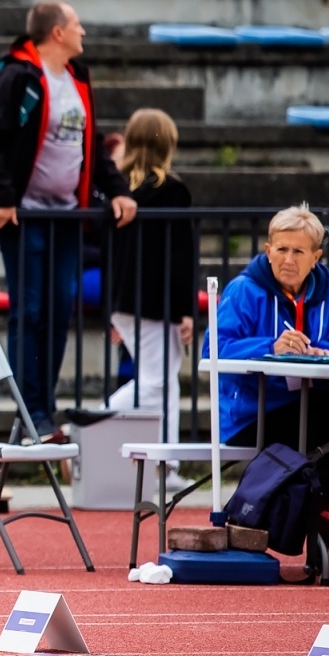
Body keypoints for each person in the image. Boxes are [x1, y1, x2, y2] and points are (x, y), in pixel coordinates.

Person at [0, 0, 137, 433]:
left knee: (60, 310)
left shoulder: (78, 77)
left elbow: (91, 145)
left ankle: (43, 407)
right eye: (78, 25)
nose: (84, 32)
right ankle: (31, 411)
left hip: (66, 216)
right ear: (57, 33)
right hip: (23, 215)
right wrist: (4, 199)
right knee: (30, 310)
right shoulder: (17, 75)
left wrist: (118, 190)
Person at [67, 110, 196, 454]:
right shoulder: (172, 191)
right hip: (157, 302)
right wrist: (185, 309)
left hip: (126, 301)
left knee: (164, 384)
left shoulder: (120, 192)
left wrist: (113, 309)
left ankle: (167, 462)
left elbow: (109, 256)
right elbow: (180, 257)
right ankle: (82, 428)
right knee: (156, 383)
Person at [213, 205, 329, 499]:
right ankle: (310, 510)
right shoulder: (243, 290)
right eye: (281, 249)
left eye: (298, 252)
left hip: (313, 406)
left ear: (316, 257)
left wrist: (324, 352)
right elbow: (215, 349)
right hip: (252, 413)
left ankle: (320, 510)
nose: (288, 260)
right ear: (268, 251)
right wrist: (270, 347)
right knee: (321, 420)